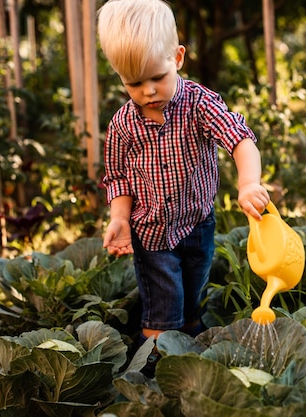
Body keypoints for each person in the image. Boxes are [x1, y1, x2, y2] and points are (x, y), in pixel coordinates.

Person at [97, 0, 270, 348]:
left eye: (158, 78)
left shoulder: (200, 105)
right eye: (134, 83)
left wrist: (249, 182)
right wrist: (120, 217)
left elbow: (240, 140)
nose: (148, 91)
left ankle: (189, 355)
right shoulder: (123, 125)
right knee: (163, 311)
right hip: (153, 233)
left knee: (193, 300)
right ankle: (155, 366)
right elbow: (118, 178)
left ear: (177, 58)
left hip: (198, 225)